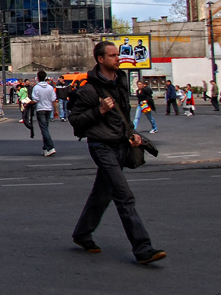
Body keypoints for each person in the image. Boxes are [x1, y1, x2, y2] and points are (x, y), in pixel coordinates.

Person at [69, 41, 166, 265]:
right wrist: (99, 110)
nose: (118, 58)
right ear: (100, 59)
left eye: (117, 54)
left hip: (121, 144)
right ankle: (143, 249)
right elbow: (75, 121)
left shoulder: (121, 82)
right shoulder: (88, 89)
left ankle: (82, 234)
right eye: (112, 55)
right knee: (124, 196)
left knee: (102, 194)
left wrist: (132, 134)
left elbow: (123, 116)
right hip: (101, 146)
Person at [30, 70, 57, 156]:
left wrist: (28, 103)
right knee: (45, 128)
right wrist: (56, 110)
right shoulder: (50, 87)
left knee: (44, 129)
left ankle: (50, 147)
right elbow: (54, 100)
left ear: (37, 78)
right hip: (49, 109)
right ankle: (45, 148)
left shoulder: (36, 88)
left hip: (40, 109)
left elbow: (35, 100)